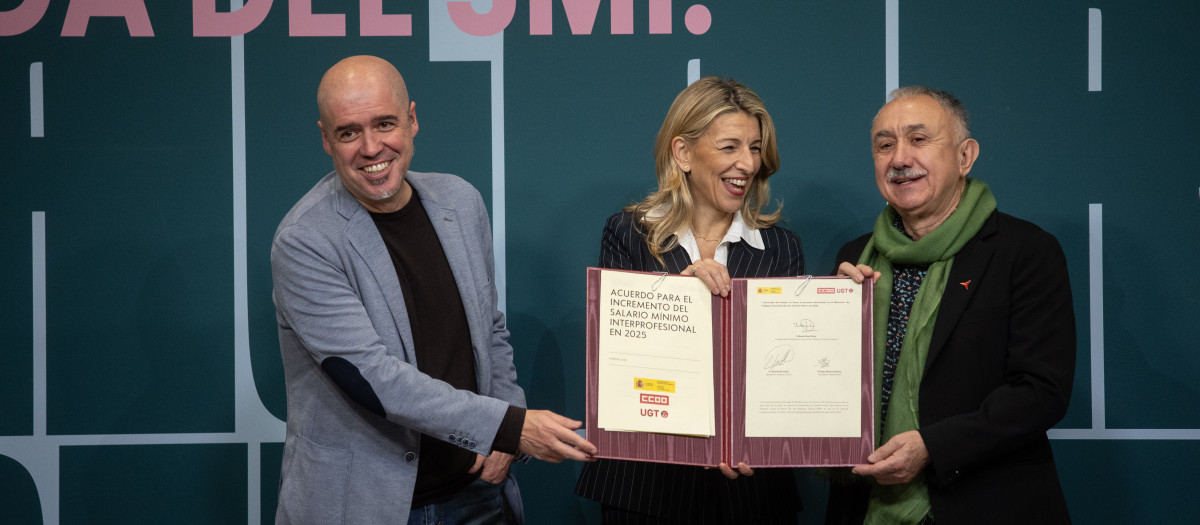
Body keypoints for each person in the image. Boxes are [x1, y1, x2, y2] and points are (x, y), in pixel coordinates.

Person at [270, 55, 597, 524]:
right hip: (366, 504)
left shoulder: (460, 202)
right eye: (349, 132)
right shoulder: (305, 239)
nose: (371, 147)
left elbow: (490, 331)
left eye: (385, 124)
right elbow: (371, 377)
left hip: (477, 495)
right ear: (326, 139)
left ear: (412, 120)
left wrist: (504, 431)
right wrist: (508, 427)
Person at [826, 86, 1075, 524]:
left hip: (985, 503)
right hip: (863, 505)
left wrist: (933, 447)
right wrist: (830, 323)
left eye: (919, 139)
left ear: (965, 156)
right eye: (884, 145)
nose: (900, 159)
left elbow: (1041, 391)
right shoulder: (855, 258)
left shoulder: (1024, 251)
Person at [574, 76, 806, 524]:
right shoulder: (628, 233)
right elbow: (619, 363)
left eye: (755, 148)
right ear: (683, 153)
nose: (747, 163)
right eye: (729, 147)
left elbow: (783, 372)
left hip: (749, 493)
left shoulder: (781, 248)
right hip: (647, 489)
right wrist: (682, 292)